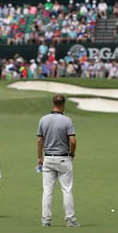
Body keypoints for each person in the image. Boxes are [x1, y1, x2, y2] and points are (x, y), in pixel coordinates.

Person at [37, 94, 80, 227]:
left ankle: (46, 220)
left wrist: (39, 158)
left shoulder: (43, 120)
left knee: (47, 190)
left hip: (48, 158)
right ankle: (70, 220)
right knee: (66, 190)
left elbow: (39, 140)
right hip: (63, 158)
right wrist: (72, 153)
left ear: (53, 103)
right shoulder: (67, 120)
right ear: (63, 105)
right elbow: (72, 140)